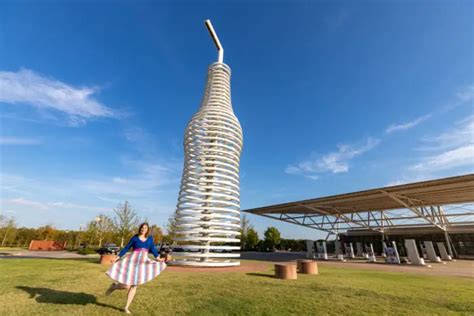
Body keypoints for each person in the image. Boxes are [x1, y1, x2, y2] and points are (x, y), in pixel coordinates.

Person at [105, 222, 167, 314]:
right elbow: (126, 248)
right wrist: (117, 258)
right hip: (132, 262)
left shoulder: (150, 239)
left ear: (147, 230)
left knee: (134, 286)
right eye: (142, 228)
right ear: (140, 229)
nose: (143, 229)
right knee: (126, 286)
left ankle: (126, 307)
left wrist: (158, 258)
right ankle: (114, 287)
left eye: (145, 228)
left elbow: (153, 249)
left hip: (142, 263)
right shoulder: (135, 237)